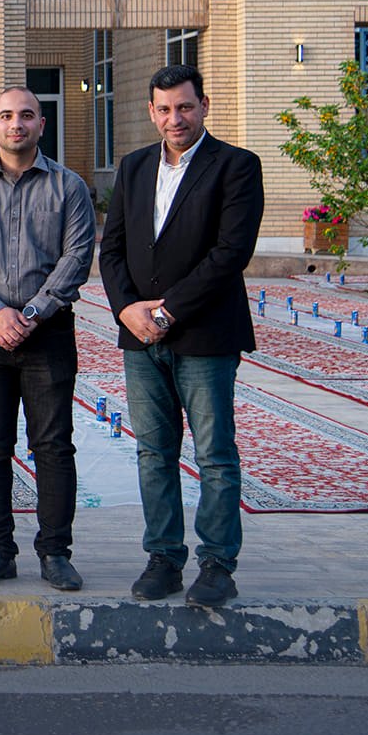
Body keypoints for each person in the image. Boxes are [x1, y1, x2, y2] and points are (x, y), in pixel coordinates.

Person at [98, 64, 264, 608]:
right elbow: (112, 249)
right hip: (140, 339)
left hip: (205, 336)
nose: (176, 118)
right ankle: (164, 558)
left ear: (204, 106)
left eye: (186, 107)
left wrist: (166, 314)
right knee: (154, 452)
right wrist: (127, 310)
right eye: (165, 109)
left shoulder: (236, 166)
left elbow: (230, 254)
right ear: (151, 112)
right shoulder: (134, 166)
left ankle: (217, 565)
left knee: (214, 454)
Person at [0, 87, 96, 592]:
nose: (16, 124)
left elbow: (77, 257)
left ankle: (55, 552)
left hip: (47, 333)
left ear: (41, 124)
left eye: (26, 115)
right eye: (6, 116)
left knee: (53, 446)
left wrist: (30, 313)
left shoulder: (69, 187)